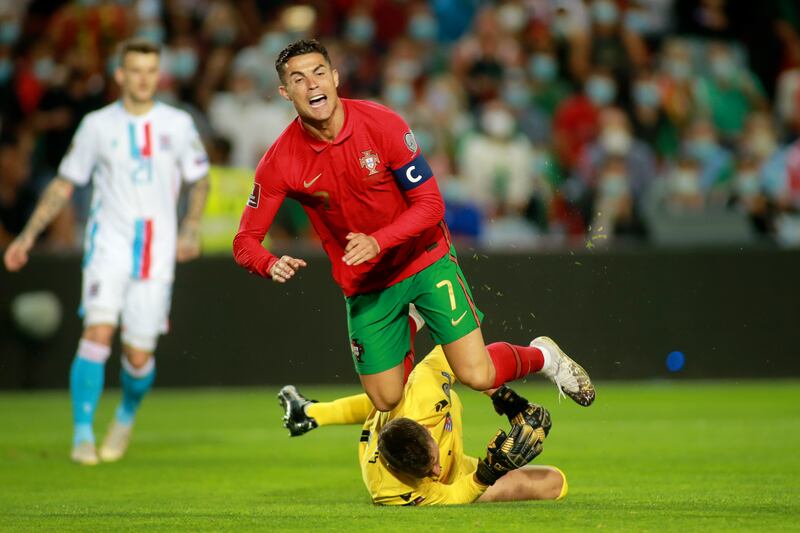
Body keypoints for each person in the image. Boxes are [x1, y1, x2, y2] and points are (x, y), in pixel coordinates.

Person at [234, 39, 595, 413]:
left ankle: (544, 357)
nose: (311, 84)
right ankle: (409, 318)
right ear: (284, 92)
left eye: (319, 73)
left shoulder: (382, 124)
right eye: (298, 79)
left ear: (335, 77)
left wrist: (378, 241)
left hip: (422, 258)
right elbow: (245, 241)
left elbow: (431, 204)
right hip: (367, 282)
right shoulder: (280, 162)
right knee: (386, 398)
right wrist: (268, 262)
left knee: (477, 375)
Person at [3, 38, 210, 465]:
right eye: (134, 70)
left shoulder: (177, 124)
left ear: (158, 75)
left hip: (157, 249)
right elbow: (65, 183)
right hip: (108, 244)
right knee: (97, 332)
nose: (143, 78)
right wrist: (26, 235)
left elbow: (200, 179)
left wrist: (191, 227)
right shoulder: (97, 125)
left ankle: (126, 415)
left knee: (138, 356)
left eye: (150, 71)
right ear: (120, 74)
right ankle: (82, 435)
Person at [278, 339, 567, 505]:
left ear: (427, 431)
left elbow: (465, 357)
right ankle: (311, 413)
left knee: (387, 397)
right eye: (428, 470)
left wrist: (505, 397)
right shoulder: (390, 489)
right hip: (459, 474)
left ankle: (311, 413)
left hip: (409, 407)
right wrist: (488, 473)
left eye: (433, 461)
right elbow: (452, 494)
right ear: (397, 468)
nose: (436, 470)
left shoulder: (422, 395)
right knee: (555, 483)